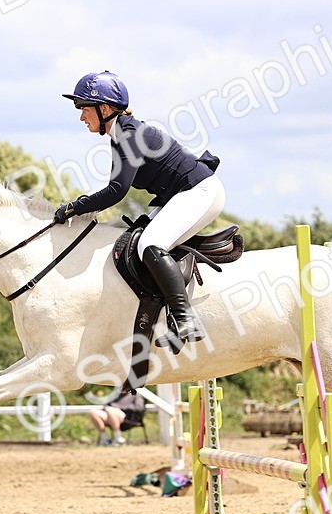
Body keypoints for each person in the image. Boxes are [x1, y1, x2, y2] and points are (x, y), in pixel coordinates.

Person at [55, 70, 225, 347]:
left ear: (105, 109)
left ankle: (185, 319)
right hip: (183, 194)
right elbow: (115, 188)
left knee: (150, 244)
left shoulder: (128, 136)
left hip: (199, 191)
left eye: (84, 108)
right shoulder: (120, 134)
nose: (82, 117)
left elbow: (116, 191)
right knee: (137, 242)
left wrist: (75, 207)